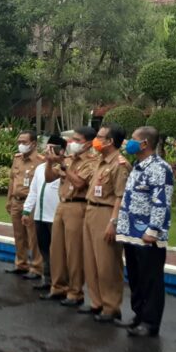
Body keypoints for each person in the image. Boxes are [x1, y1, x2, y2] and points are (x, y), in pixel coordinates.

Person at [116, 126, 174, 337]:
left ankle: (150, 323)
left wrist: (153, 230)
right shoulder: (138, 166)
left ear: (144, 144)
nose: (128, 143)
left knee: (150, 280)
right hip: (131, 232)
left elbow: (161, 202)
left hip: (148, 235)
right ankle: (138, 315)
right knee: (136, 278)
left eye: (133, 139)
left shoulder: (160, 168)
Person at [41, 126, 99, 306]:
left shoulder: (92, 161)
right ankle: (58, 287)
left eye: (77, 140)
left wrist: (64, 166)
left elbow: (80, 183)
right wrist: (51, 162)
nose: (72, 143)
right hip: (63, 204)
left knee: (74, 251)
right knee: (56, 249)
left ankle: (75, 292)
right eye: (72, 140)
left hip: (78, 206)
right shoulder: (70, 158)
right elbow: (50, 178)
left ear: (88, 143)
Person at [81, 123, 131, 322]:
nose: (96, 140)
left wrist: (114, 222)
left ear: (110, 141)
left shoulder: (120, 164)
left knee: (107, 263)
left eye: (100, 137)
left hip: (106, 213)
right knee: (91, 261)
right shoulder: (100, 161)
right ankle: (96, 302)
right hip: (91, 209)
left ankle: (111, 307)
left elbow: (120, 196)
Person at [22, 135, 67, 291]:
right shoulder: (41, 168)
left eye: (52, 148)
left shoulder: (66, 167)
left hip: (55, 216)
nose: (48, 151)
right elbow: (33, 191)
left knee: (58, 253)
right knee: (44, 249)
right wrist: (27, 211)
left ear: (61, 151)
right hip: (40, 215)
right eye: (47, 147)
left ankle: (59, 283)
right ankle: (46, 279)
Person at [5, 130, 45, 279]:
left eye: (24, 142)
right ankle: (21, 263)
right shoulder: (17, 159)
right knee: (18, 234)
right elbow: (12, 180)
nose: (20, 145)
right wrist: (9, 200)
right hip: (16, 200)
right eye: (19, 142)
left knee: (33, 236)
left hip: (31, 203)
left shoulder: (41, 161)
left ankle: (36, 267)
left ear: (33, 144)